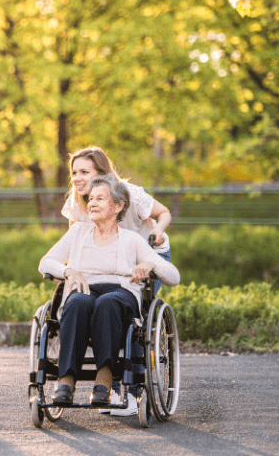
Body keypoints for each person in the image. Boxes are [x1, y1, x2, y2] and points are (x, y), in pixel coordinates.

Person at [38, 176, 180, 409]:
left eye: (100, 198)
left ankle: (104, 379)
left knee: (107, 303)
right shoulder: (78, 233)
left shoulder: (132, 240)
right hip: (84, 289)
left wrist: (151, 266)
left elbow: (173, 276)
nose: (92, 203)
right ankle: (66, 380)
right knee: (77, 304)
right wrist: (69, 271)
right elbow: (46, 262)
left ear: (118, 206)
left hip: (121, 293)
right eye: (91, 198)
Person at [63, 146, 174, 416]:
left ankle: (133, 391)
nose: (77, 178)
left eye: (84, 172)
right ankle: (105, 385)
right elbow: (76, 242)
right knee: (91, 304)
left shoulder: (130, 193)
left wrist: (157, 231)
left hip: (146, 256)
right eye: (74, 172)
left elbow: (164, 213)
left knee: (131, 315)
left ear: (103, 173)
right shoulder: (78, 201)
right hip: (106, 266)